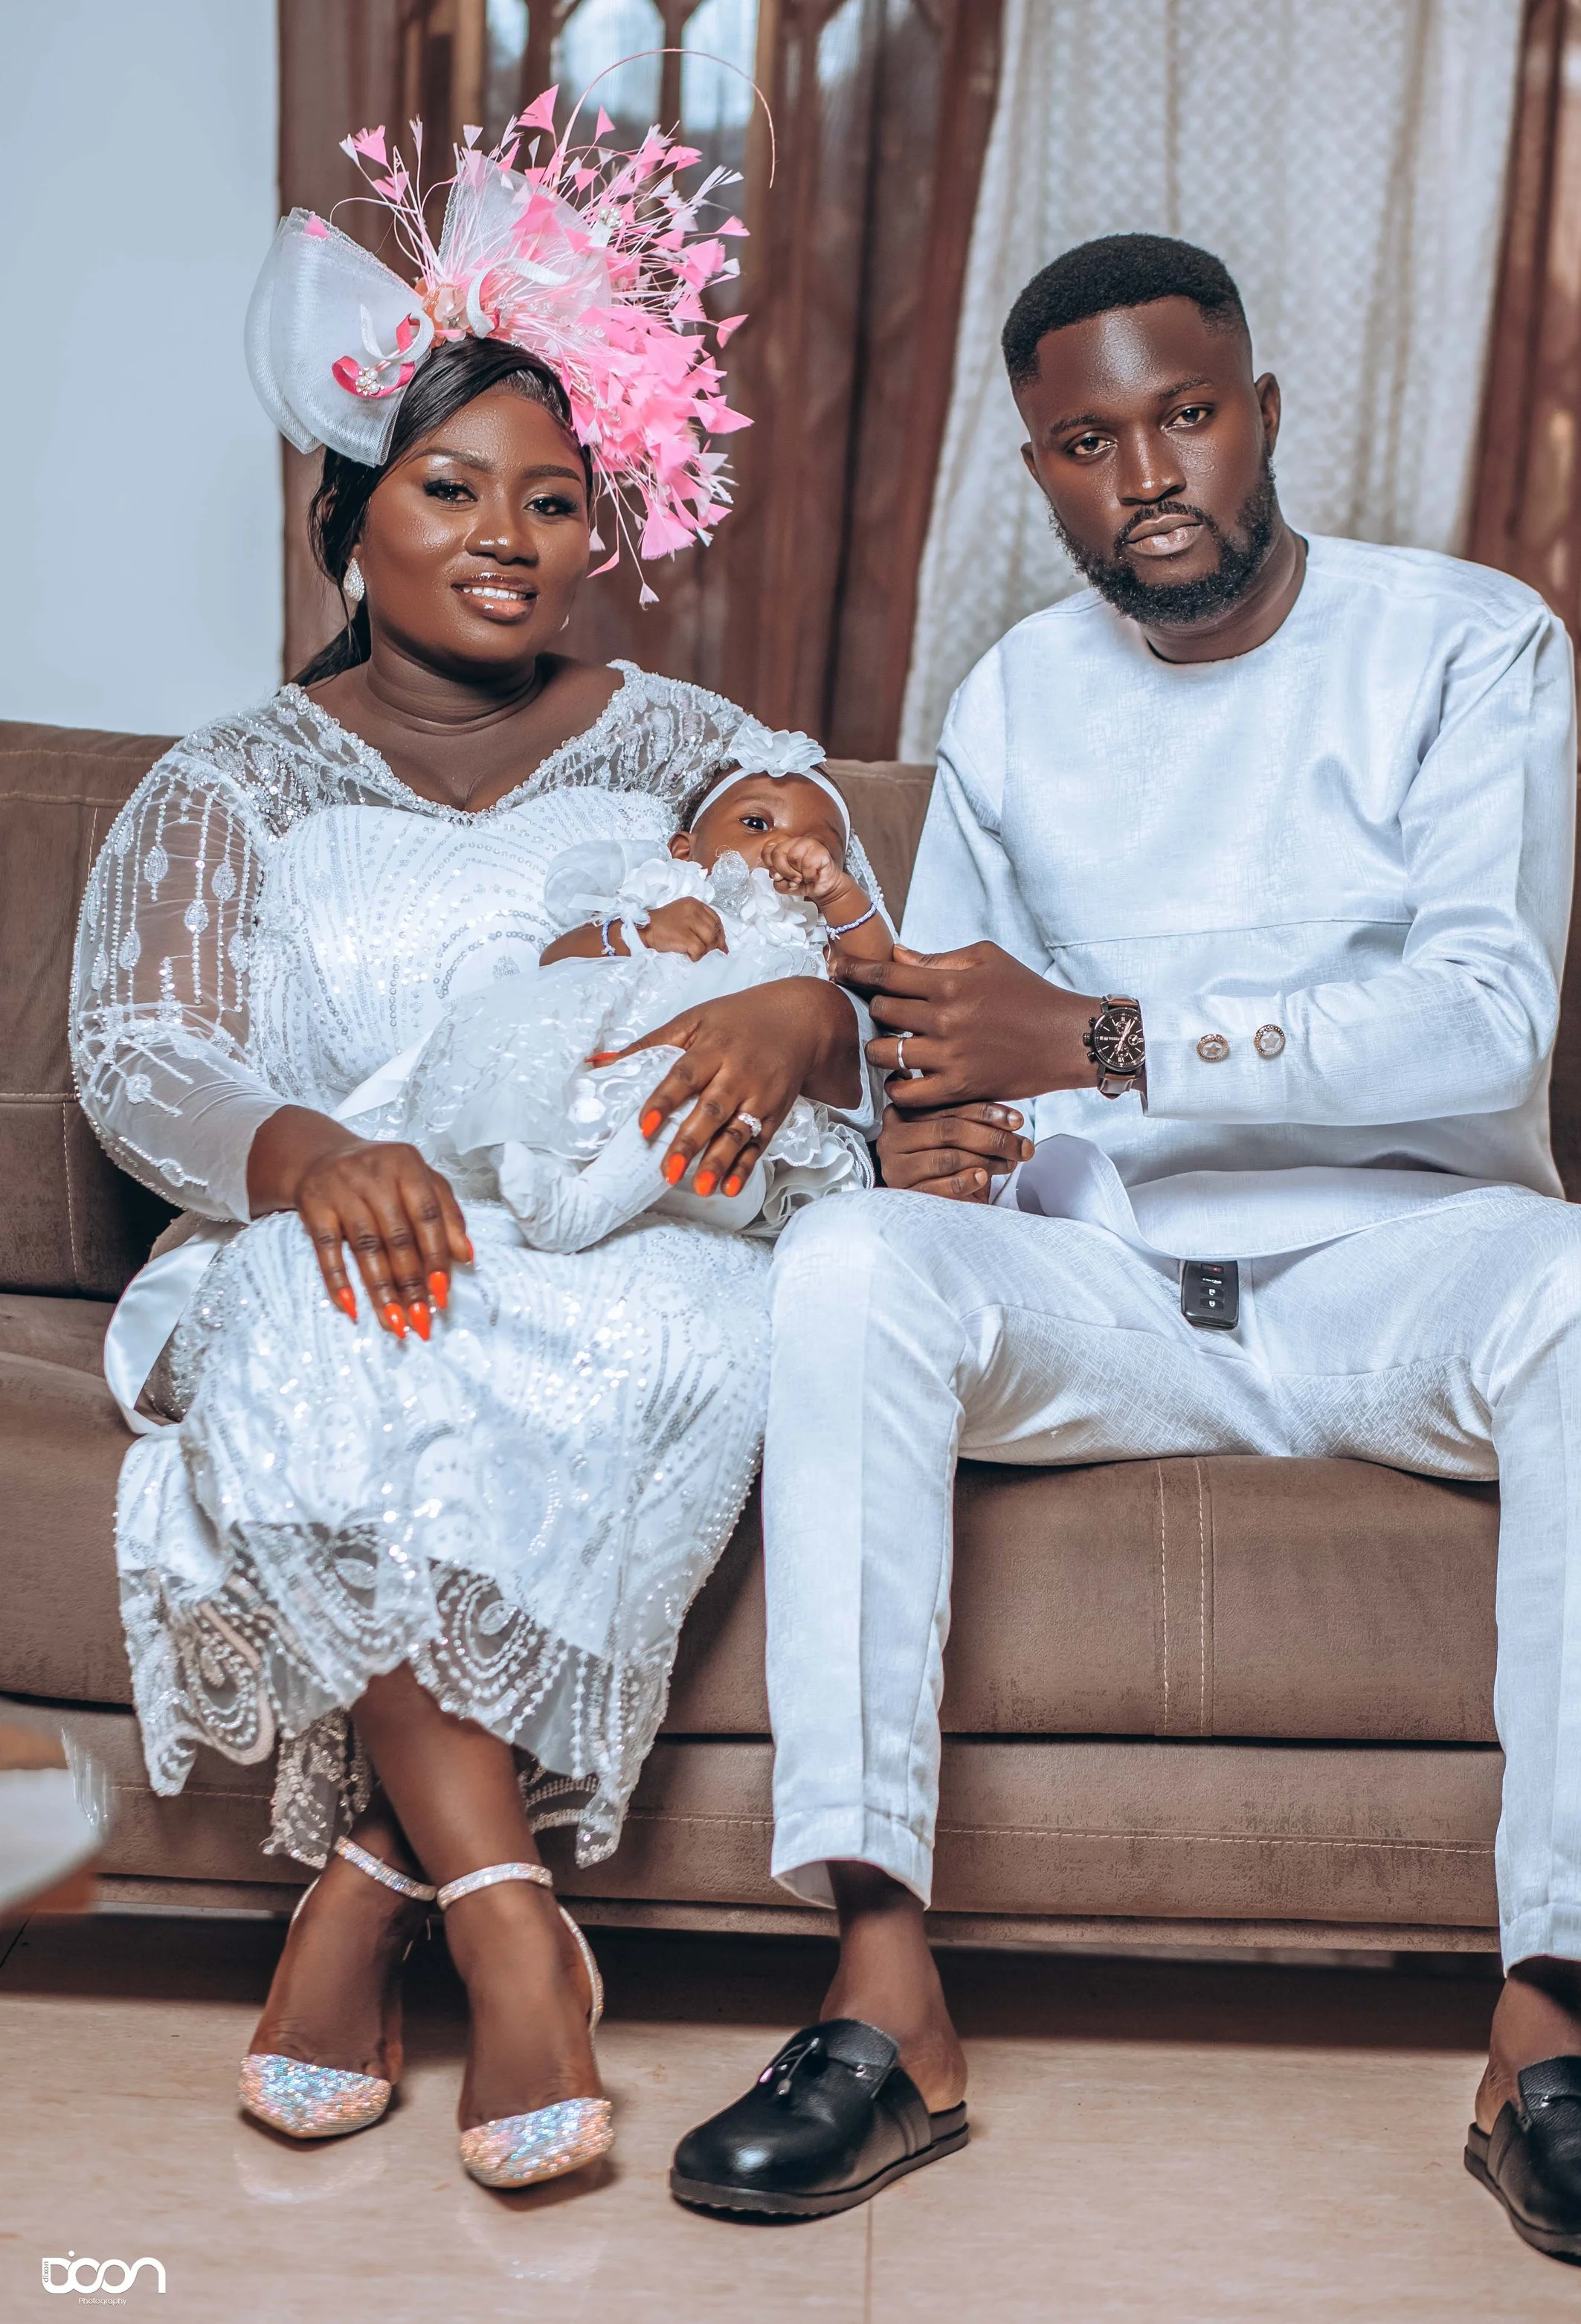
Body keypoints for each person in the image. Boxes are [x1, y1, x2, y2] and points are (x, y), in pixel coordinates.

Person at [674, 234, 1581, 2265]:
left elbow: (1483, 1016)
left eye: (1182, 414)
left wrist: (1103, 1036)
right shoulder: (1006, 700)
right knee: (849, 1267)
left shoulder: (1464, 641)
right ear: (1037, 465)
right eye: (1083, 440)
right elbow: (955, 1059)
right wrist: (945, 1119)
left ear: (1256, 406)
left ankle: (1552, 2026)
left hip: (1403, 1268)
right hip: (1118, 1287)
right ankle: (882, 1998)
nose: (1142, 470)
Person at [73, 104, 883, 2193]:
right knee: (335, 1320)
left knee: (691, 1332)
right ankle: (521, 1932)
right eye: (447, 488)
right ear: (346, 518)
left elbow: (849, 961)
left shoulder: (699, 745)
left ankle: (365, 1883)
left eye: (549, 496)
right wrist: (298, 1147)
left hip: (637, 1244)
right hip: (360, 1220)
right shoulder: (227, 781)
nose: (504, 533)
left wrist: (808, 1014)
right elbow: (138, 1041)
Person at [398, 758, 894, 1253]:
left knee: (700, 1107)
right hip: (612, 1058)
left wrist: (836, 894)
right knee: (542, 1072)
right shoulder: (666, 891)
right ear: (683, 849)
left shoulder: (809, 932)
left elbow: (877, 972)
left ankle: (589, 1206)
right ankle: (551, 1169)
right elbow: (555, 959)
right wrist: (640, 930)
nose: (781, 845)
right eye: (756, 823)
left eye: (819, 844)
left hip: (729, 1082)